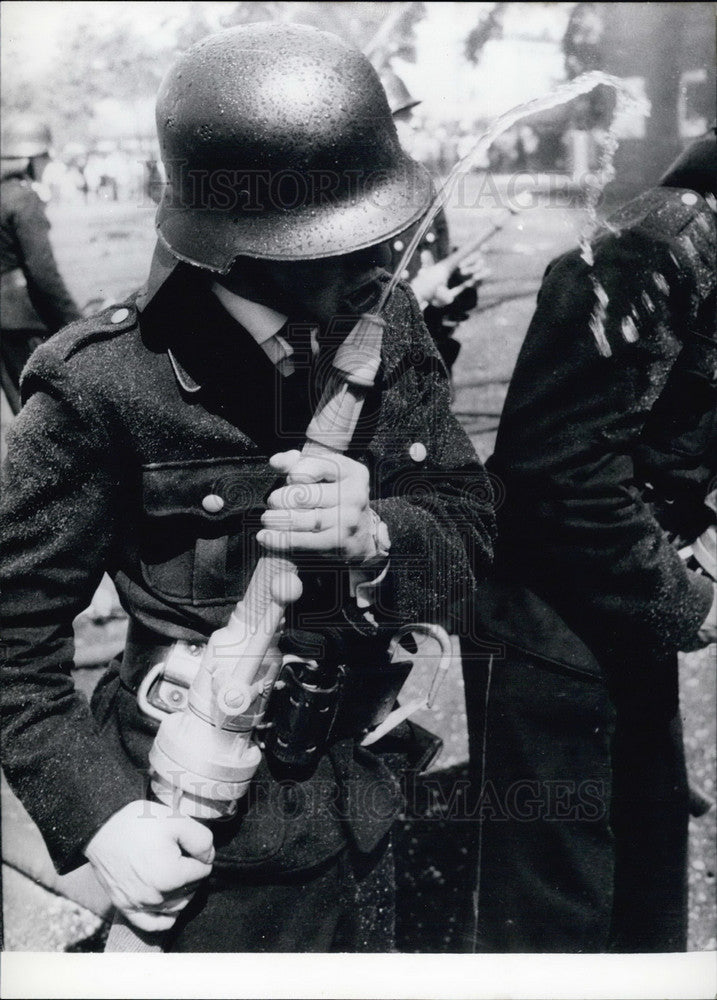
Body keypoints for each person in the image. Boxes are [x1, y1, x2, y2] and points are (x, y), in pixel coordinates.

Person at [0, 24, 495, 953]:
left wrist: (379, 539)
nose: (386, 260)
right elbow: (10, 634)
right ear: (242, 242)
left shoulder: (383, 324)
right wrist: (105, 823)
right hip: (203, 839)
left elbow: (470, 532)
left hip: (364, 807)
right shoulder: (105, 385)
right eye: (347, 238)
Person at [462, 131, 716, 952]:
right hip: (550, 621)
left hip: (618, 594)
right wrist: (686, 599)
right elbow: (559, 474)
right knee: (556, 911)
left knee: (642, 874)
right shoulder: (656, 246)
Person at [380, 70, 487, 377]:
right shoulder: (352, 201)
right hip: (382, 363)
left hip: (431, 352)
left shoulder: (424, 190)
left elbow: (438, 267)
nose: (413, 124)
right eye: (403, 116)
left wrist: (462, 276)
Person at [0, 119, 81, 414]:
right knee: (48, 416)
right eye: (45, 157)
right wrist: (75, 323)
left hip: (4, 322)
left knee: (23, 415)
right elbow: (42, 273)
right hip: (26, 319)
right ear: (32, 159)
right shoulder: (24, 198)